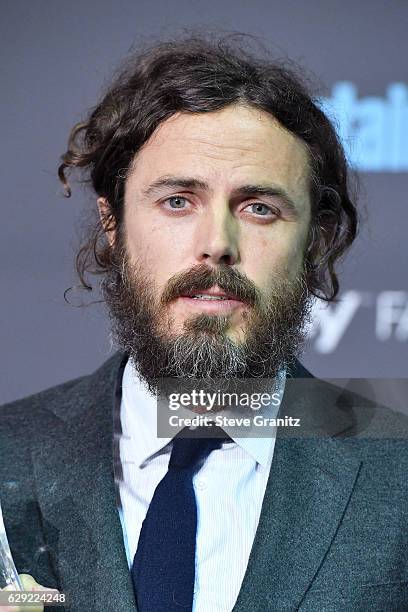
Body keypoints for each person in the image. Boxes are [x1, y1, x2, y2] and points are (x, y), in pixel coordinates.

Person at [1, 34, 407, 612]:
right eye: (177, 201)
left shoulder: (399, 472)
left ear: (314, 240)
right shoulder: (6, 455)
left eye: (259, 208)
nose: (217, 244)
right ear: (112, 226)